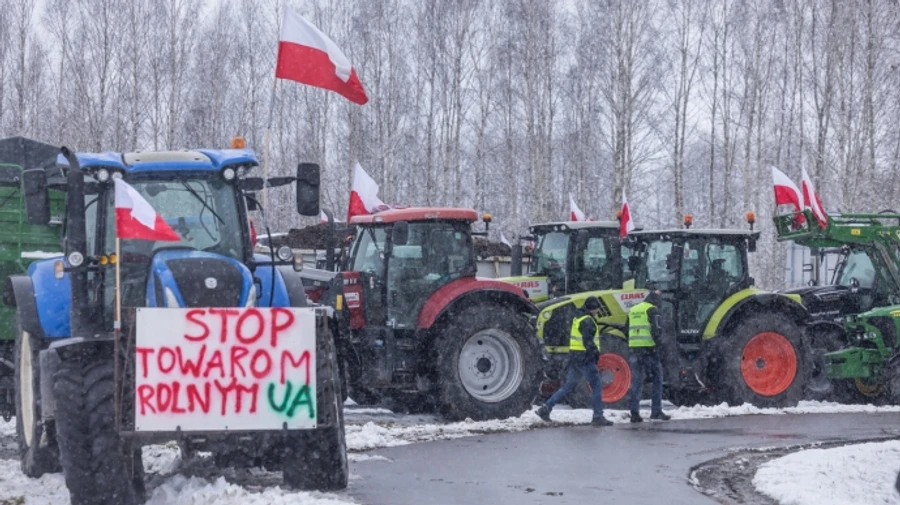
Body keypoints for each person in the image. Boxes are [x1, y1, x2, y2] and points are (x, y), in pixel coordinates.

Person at [535, 296, 613, 427]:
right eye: (597, 308)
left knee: (568, 386)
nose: (598, 311)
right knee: (596, 386)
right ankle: (598, 416)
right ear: (594, 308)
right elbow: (588, 342)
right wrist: (595, 354)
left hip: (575, 358)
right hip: (585, 359)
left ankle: (546, 408)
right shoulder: (588, 321)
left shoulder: (578, 318)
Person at [627, 287, 671, 423]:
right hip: (649, 350)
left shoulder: (633, 310)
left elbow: (626, 328)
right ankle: (656, 411)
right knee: (657, 379)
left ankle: (634, 413)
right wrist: (660, 347)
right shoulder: (652, 310)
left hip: (634, 349)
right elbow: (656, 331)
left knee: (637, 381)